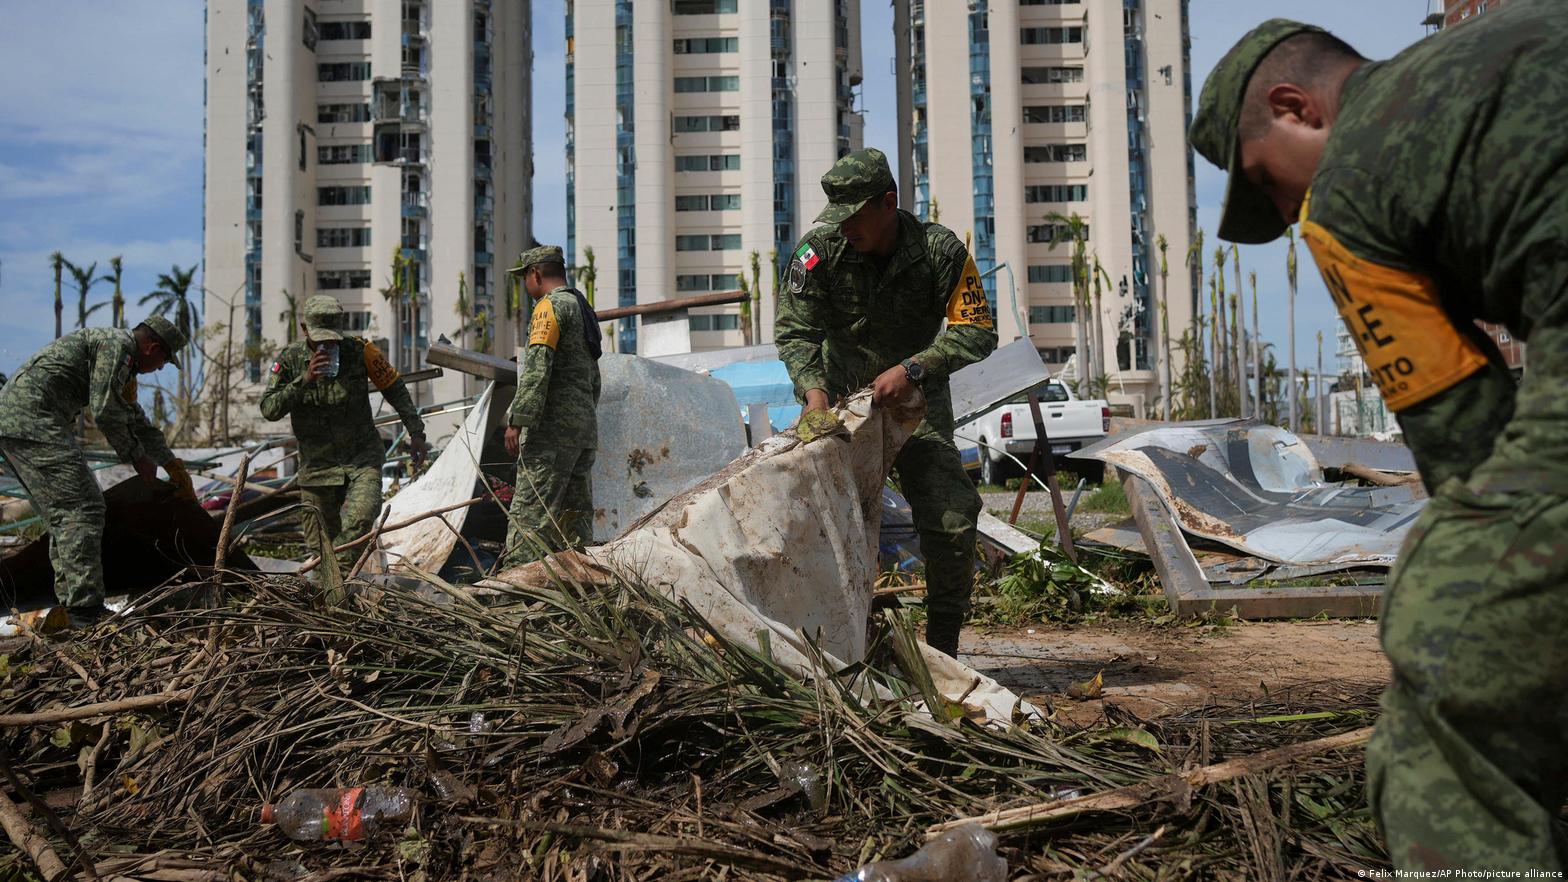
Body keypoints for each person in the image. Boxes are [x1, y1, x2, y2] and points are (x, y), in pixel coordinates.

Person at [1191, 3, 1568, 871]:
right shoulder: (1512, 44)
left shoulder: (1347, 187)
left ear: (1298, 108)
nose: (1287, 215)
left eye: (1269, 184)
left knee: (1442, 663)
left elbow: (1465, 440)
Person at [776, 148, 997, 657]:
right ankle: (834, 647)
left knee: (952, 521)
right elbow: (795, 331)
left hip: (914, 407)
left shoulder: (940, 252)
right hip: (835, 411)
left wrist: (914, 368)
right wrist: (814, 394)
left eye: (854, 216)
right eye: (838, 217)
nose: (844, 227)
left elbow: (978, 329)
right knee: (825, 529)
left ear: (888, 204)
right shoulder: (819, 251)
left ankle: (942, 654)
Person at [0, 316, 196, 626]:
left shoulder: (122, 365)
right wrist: (136, 456)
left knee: (64, 514)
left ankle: (70, 606)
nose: (160, 368)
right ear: (152, 348)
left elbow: (132, 417)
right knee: (84, 507)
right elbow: (106, 411)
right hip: (33, 422)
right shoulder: (117, 346)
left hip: (22, 423)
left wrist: (171, 463)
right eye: (163, 361)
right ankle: (85, 610)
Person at [260, 295, 428, 569]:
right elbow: (269, 408)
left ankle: (333, 577)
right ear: (304, 330)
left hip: (361, 460)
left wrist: (416, 432)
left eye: (333, 339)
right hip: (317, 470)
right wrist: (304, 380)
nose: (328, 345)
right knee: (319, 547)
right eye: (320, 339)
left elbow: (394, 387)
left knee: (360, 519)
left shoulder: (361, 351)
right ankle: (334, 595)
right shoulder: (289, 360)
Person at [499, 245, 602, 567]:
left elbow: (537, 367)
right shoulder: (582, 307)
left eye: (525, 278)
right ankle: (578, 589)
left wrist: (517, 420)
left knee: (529, 516)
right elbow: (594, 376)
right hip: (582, 430)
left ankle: (515, 595)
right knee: (574, 520)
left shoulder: (550, 307)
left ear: (536, 274)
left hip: (551, 433)